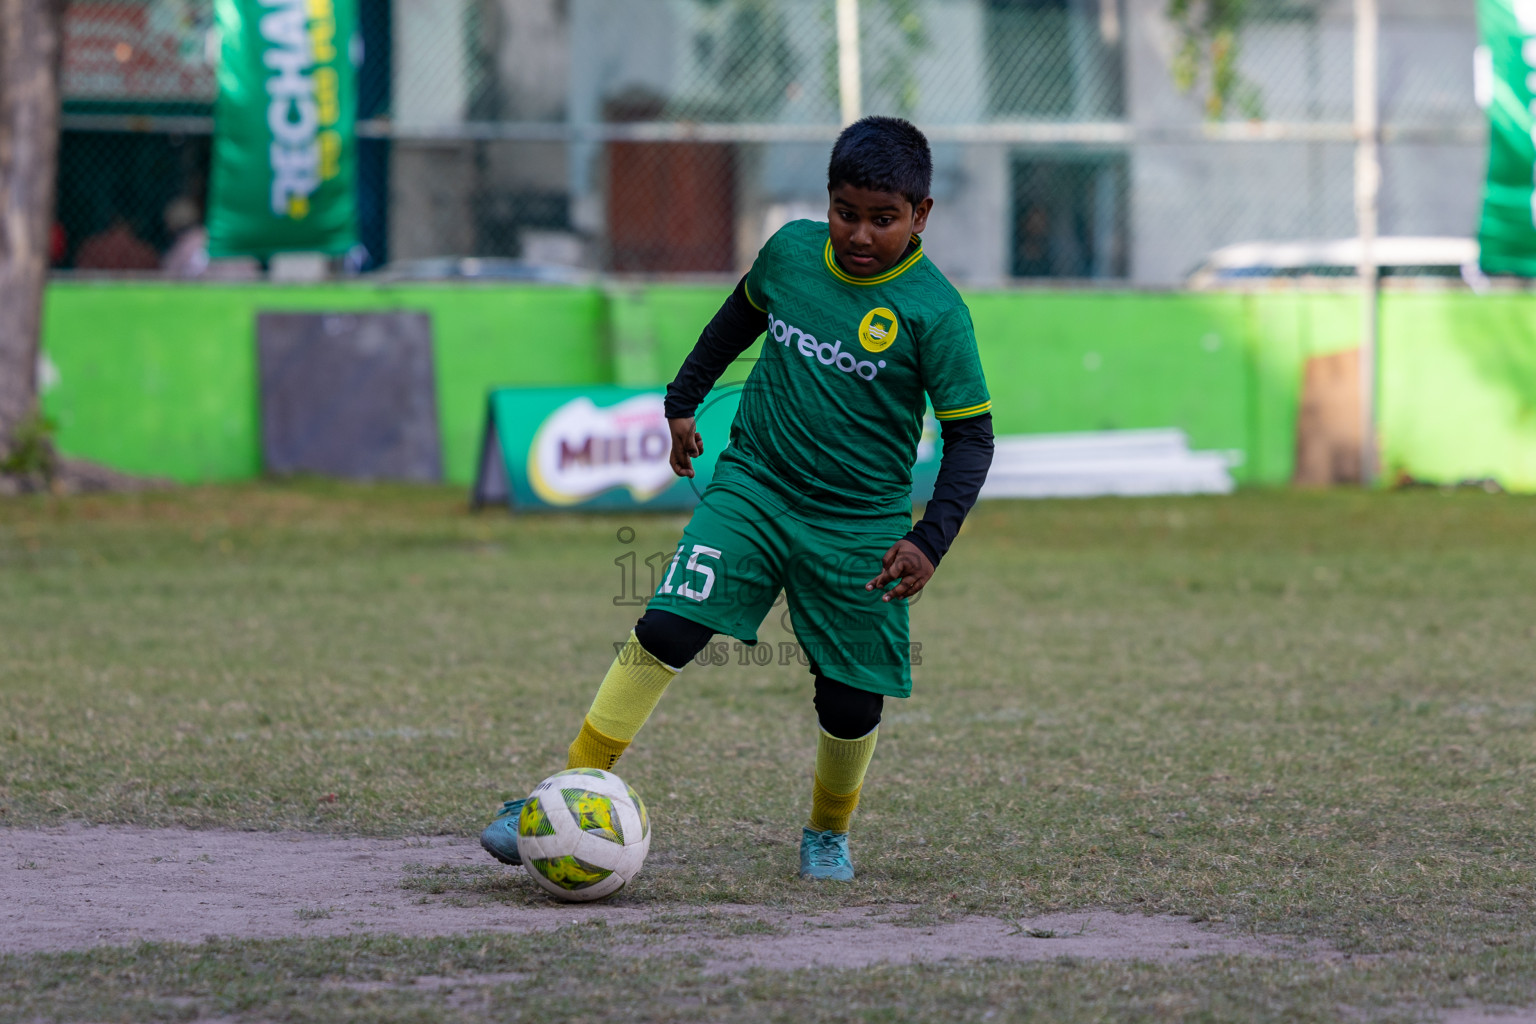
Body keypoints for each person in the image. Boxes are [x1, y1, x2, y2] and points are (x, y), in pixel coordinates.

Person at [481, 116, 995, 881]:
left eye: (883, 219)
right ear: (827, 201)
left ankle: (827, 831)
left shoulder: (935, 313)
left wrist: (928, 540)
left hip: (860, 523)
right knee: (665, 629)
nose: (860, 234)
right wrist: (683, 400)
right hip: (754, 485)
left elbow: (972, 440)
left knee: (851, 704)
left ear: (921, 215)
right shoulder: (790, 253)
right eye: (846, 212)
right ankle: (560, 793)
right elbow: (736, 320)